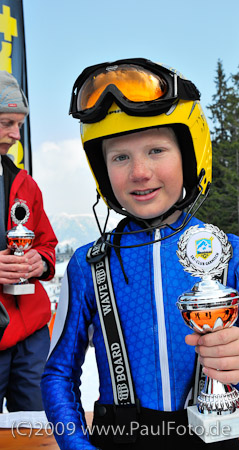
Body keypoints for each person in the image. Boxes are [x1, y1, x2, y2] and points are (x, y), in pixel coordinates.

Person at [41, 58, 239, 449]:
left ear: (190, 156)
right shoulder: (88, 265)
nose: (139, 172)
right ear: (102, 170)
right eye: (120, 157)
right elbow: (58, 374)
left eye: (156, 149)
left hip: (214, 437)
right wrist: (76, 445)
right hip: (117, 437)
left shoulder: (233, 253)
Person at [0, 71, 58, 412]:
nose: (15, 135)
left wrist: (40, 260)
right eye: (7, 123)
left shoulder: (25, 184)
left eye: (19, 125)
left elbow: (46, 243)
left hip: (31, 334)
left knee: (37, 430)